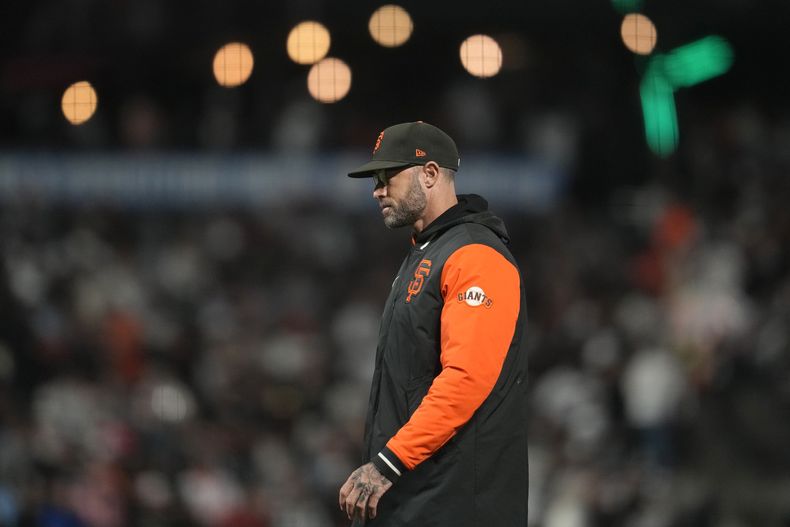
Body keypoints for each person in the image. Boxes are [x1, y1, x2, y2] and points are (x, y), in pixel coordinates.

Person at [338, 121, 529, 526]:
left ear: (429, 174)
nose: (377, 189)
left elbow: (466, 378)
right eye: (376, 178)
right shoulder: (427, 253)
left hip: (456, 503)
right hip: (421, 497)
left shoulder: (475, 254)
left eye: (389, 176)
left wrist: (387, 464)